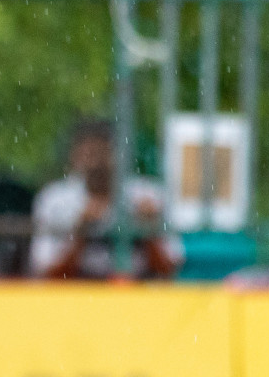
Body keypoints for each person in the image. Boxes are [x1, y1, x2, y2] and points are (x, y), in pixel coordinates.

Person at [29, 119, 178, 280]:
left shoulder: (149, 195)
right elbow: (47, 273)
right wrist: (80, 234)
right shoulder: (55, 200)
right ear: (75, 156)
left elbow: (169, 269)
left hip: (137, 292)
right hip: (76, 295)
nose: (97, 163)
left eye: (104, 153)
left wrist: (148, 230)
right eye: (90, 154)